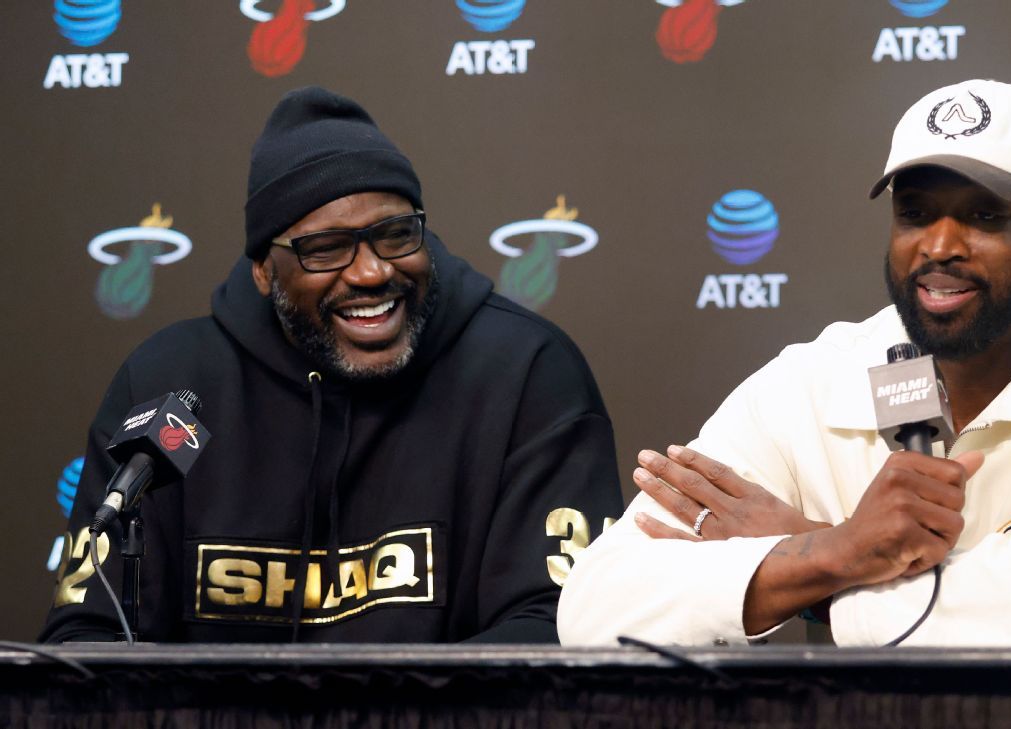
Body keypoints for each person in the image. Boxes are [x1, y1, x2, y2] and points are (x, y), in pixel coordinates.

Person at [557, 79, 1011, 647]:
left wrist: (816, 567)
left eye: (983, 216)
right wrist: (839, 550)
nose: (939, 245)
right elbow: (596, 611)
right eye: (916, 213)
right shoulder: (815, 378)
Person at [42, 86, 622, 643]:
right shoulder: (172, 387)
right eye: (325, 249)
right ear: (263, 271)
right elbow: (91, 633)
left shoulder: (525, 372)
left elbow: (556, 627)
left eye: (395, 235)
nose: (372, 272)